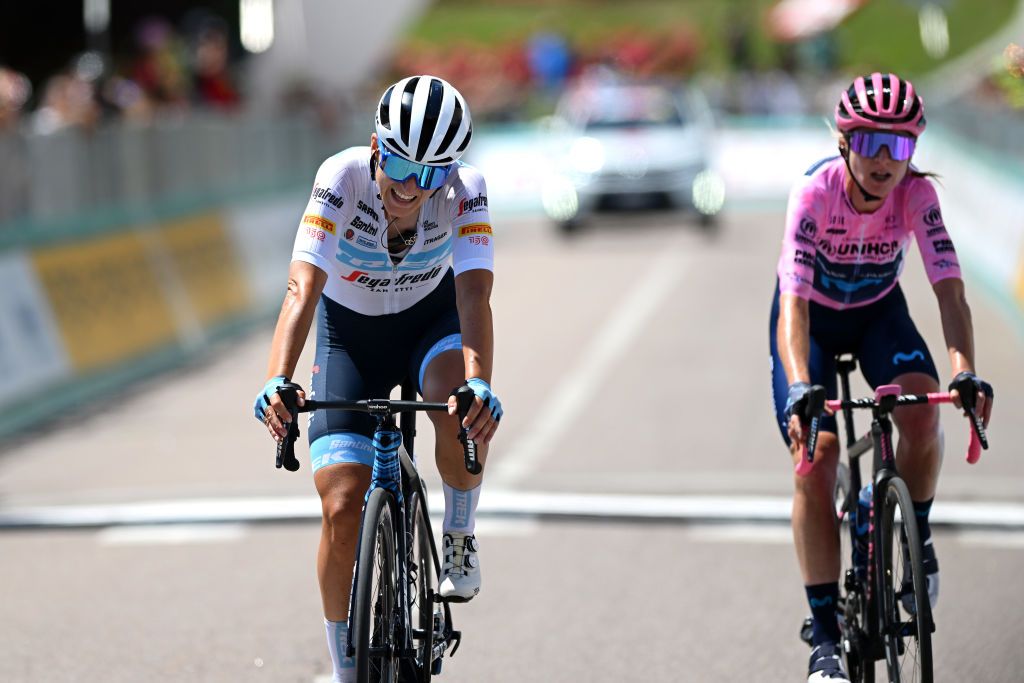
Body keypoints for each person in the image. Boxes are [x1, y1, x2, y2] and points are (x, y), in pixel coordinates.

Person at [253, 75, 501, 683]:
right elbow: (302, 286)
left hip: (430, 324)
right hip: (351, 335)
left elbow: (473, 291)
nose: (411, 188)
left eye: (430, 174)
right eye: (397, 164)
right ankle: (345, 669)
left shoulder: (466, 192)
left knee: (457, 403)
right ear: (373, 146)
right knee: (340, 504)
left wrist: (480, 382)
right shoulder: (340, 178)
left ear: (451, 172)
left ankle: (461, 530)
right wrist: (276, 377)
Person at [769, 73, 994, 682]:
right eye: (871, 142)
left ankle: (913, 532)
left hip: (877, 315)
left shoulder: (918, 196)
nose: (884, 160)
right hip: (811, 322)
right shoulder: (814, 193)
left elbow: (949, 291)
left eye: (899, 146)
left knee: (923, 412)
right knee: (816, 457)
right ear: (845, 143)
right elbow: (793, 304)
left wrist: (964, 372)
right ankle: (824, 638)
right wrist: (798, 385)